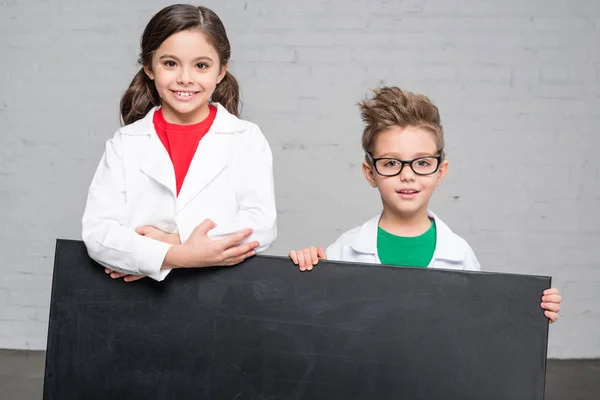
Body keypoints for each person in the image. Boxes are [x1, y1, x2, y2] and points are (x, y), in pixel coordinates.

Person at [289, 86, 562, 322]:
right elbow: (318, 319)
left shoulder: (460, 254)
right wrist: (306, 271)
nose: (407, 175)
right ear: (370, 173)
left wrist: (531, 313)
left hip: (436, 382)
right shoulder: (345, 249)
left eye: (421, 163)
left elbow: (477, 324)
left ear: (440, 171)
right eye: (391, 163)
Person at [82, 4, 277, 282]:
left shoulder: (245, 139)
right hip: (135, 303)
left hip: (220, 296)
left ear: (221, 71)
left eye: (201, 65)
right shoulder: (125, 144)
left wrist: (171, 242)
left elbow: (260, 226)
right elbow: (99, 234)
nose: (185, 78)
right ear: (149, 67)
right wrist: (182, 255)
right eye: (170, 63)